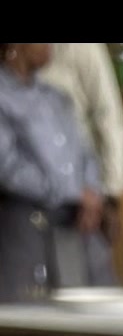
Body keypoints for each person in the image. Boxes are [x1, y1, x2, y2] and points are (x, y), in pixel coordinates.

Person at [0, 42, 104, 300]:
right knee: (29, 313)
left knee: (92, 300)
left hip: (74, 224)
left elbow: (85, 152)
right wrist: (73, 192)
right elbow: (8, 167)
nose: (51, 46)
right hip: (25, 227)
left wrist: (92, 191)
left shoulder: (56, 97)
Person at [39, 43, 123, 246]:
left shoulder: (83, 48)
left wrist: (112, 193)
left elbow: (108, 117)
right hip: (26, 195)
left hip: (82, 193)